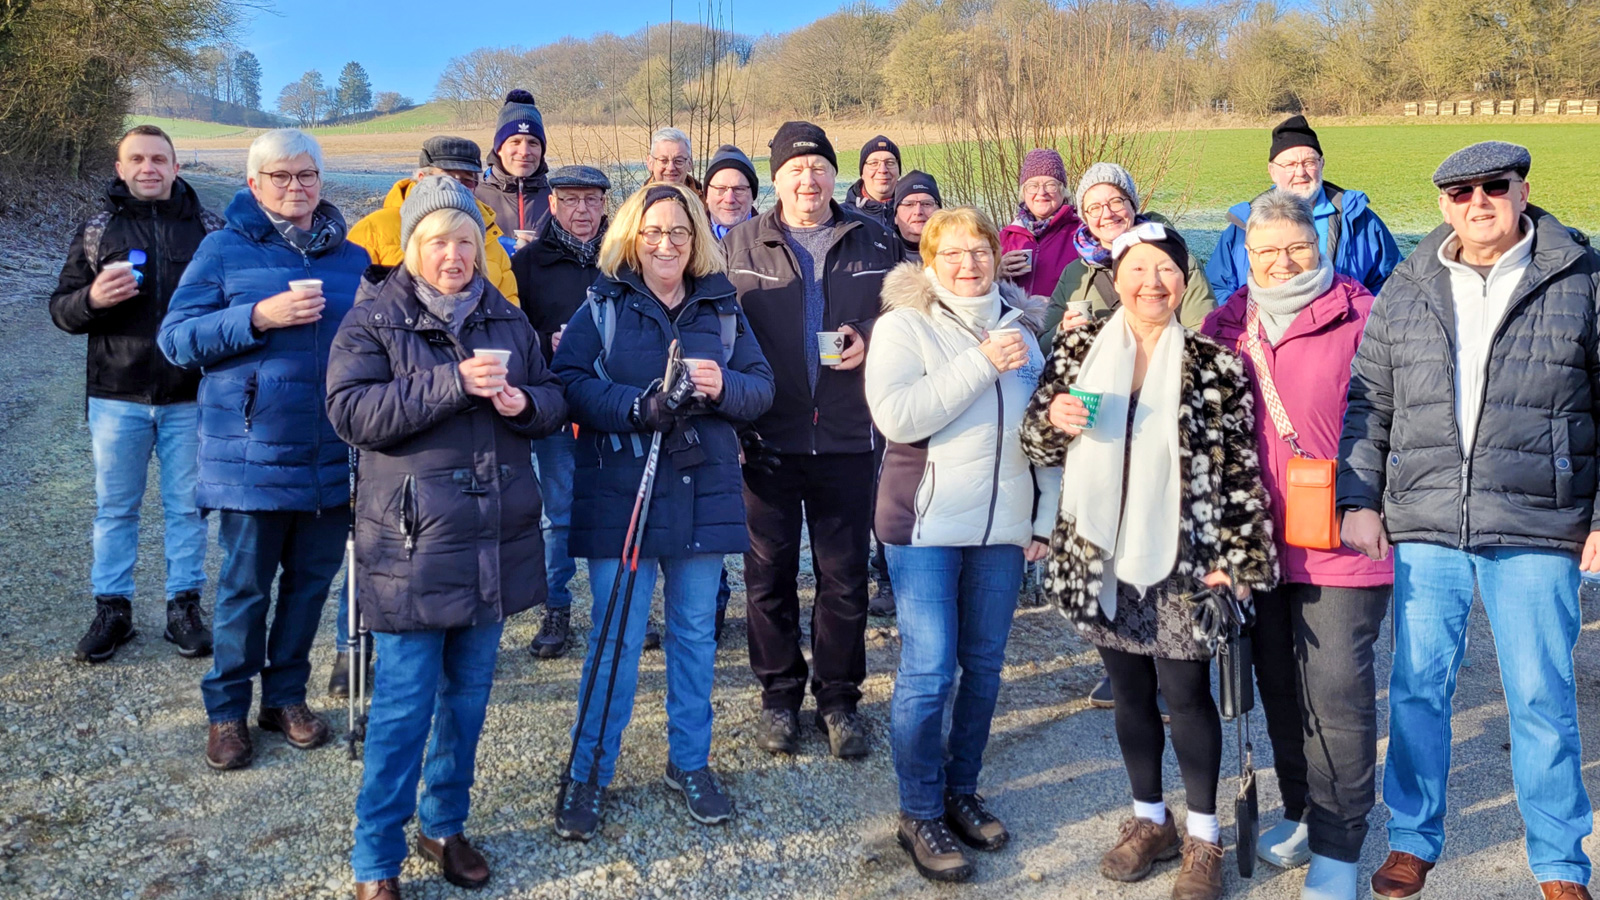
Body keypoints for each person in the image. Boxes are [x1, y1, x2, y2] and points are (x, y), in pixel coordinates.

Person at [1339, 141, 1600, 900]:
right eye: (1460, 192)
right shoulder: (1409, 286)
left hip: (1537, 521)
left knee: (1541, 694)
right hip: (1426, 522)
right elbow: (1370, 401)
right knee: (1419, 688)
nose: (1477, 201)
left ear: (1523, 191)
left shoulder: (1580, 280)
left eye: (1494, 186)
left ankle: (1558, 861)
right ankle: (1413, 839)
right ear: (1442, 203)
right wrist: (1359, 500)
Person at [1021, 222, 1277, 900]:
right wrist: (1055, 421)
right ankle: (1147, 819)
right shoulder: (1077, 350)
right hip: (1100, 554)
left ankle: (1204, 837)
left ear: (1182, 278)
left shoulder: (1214, 364)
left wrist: (1239, 560)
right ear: (1114, 276)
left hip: (1184, 558)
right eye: (1137, 268)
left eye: (1165, 269)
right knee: (1129, 694)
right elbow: (1035, 442)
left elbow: (1240, 472)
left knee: (1186, 697)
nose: (1151, 283)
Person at [327, 176, 567, 900]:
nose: (455, 254)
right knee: (401, 712)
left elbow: (553, 397)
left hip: (492, 540)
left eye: (466, 241)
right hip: (412, 548)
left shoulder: (507, 320)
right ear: (412, 248)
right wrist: (453, 383)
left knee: (467, 702)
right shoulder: (373, 319)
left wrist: (525, 401)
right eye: (439, 242)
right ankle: (376, 860)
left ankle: (443, 824)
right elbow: (351, 412)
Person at [550, 182, 775, 839]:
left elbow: (761, 387)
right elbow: (569, 383)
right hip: (623, 488)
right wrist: (637, 407)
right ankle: (588, 771)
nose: (666, 244)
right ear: (633, 237)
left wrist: (722, 385)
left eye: (679, 232)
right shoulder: (605, 301)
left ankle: (690, 762)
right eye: (654, 232)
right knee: (615, 637)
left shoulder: (721, 304)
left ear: (697, 237)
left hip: (702, 492)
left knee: (694, 636)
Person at [158, 128, 370, 771]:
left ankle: (284, 699)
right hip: (252, 452)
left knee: (310, 587)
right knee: (246, 589)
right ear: (254, 184)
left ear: (320, 182)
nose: (294, 187)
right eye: (279, 177)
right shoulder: (222, 249)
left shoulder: (352, 259)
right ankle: (226, 711)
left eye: (305, 175)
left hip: (332, 449)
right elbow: (176, 340)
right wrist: (257, 318)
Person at [1200, 191, 1391, 900]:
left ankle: (1341, 850)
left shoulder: (1363, 317)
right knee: (1281, 690)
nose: (1281, 263)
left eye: (1296, 249)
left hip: (1340, 540)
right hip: (1257, 548)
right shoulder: (1225, 326)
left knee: (1337, 691)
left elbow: (1385, 418)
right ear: (1246, 257)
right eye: (1264, 252)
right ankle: (1304, 812)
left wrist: (1364, 500)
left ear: (1319, 245)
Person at [866, 207, 1059, 883]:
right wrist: (980, 363)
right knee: (929, 667)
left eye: (979, 250)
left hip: (1002, 530)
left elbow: (1046, 436)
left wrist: (1046, 516)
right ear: (929, 263)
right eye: (952, 254)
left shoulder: (1023, 335)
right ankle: (918, 810)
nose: (968, 264)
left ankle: (961, 790)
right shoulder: (903, 327)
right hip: (924, 526)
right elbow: (899, 416)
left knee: (983, 665)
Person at [723, 121, 900, 759]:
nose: (809, 178)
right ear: (777, 178)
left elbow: (907, 316)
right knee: (766, 576)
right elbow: (717, 333)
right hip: (766, 438)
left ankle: (839, 699)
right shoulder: (740, 243)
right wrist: (732, 423)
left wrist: (870, 338)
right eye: (795, 169)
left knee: (844, 576)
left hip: (850, 437)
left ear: (834, 174)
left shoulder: (873, 239)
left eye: (819, 166)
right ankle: (778, 697)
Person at [51, 124, 222, 664]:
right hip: (116, 396)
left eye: (159, 159)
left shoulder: (209, 230)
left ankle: (183, 608)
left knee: (187, 509)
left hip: (190, 395)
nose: (148, 168)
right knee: (115, 509)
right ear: (120, 169)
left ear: (176, 167)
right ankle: (113, 610)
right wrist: (93, 299)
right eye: (137, 159)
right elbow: (61, 309)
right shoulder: (97, 229)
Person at [511, 164, 611, 660]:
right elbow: (510, 331)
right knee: (558, 512)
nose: (582, 210)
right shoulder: (527, 263)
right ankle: (556, 604)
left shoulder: (623, 259)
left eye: (591, 200)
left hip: (611, 403)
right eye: (570, 200)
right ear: (552, 204)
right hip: (554, 402)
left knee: (617, 506)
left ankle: (615, 605)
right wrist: (545, 341)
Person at [1206, 115, 1400, 301]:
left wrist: (1360, 318)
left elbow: (1394, 283)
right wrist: (1245, 321)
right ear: (1272, 171)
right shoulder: (1246, 223)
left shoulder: (1358, 219)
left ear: (1322, 164)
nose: (1300, 173)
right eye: (1289, 164)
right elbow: (1217, 288)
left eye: (1309, 162)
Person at [1044, 162, 1214, 335]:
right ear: (1085, 218)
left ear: (1132, 206)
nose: (1107, 214)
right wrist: (1063, 330)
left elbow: (1205, 339)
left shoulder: (1180, 264)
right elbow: (1041, 345)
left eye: (1116, 202)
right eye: (1094, 208)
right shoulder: (1074, 274)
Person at [348, 135, 519, 305]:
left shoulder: (489, 238)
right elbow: (350, 303)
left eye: (467, 180)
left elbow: (508, 310)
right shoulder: (374, 230)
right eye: (447, 177)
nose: (456, 187)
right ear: (421, 178)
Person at [998, 148, 1083, 298]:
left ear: (1062, 191)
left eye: (1051, 184)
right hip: (1014, 321)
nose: (1041, 192)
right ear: (1023, 192)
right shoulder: (1004, 237)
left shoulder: (1081, 235)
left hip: (1061, 320)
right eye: (1033, 186)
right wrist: (997, 272)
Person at [475, 90, 551, 245]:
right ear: (499, 148)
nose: (524, 152)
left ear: (542, 150)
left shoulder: (558, 199)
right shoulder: (474, 196)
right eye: (515, 142)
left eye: (533, 143)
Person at [845, 135, 901, 232]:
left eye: (890, 163)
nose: (882, 170)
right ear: (862, 172)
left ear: (899, 171)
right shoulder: (842, 216)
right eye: (873, 163)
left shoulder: (915, 214)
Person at [703, 144, 758, 240]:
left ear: (752, 196)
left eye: (739, 189)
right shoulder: (689, 240)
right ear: (707, 194)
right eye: (720, 189)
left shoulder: (773, 241)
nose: (729, 199)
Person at [891, 171, 941, 263]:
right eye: (909, 204)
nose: (918, 212)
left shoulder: (956, 251)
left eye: (926, 204)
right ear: (895, 216)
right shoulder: (882, 254)